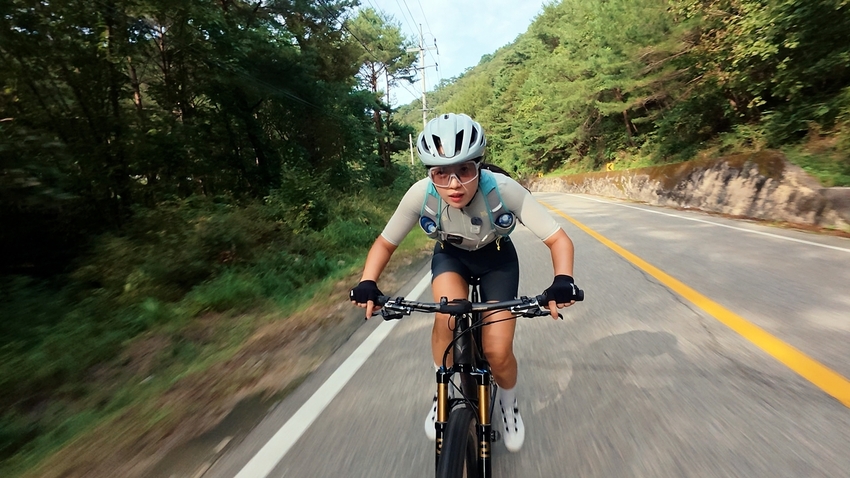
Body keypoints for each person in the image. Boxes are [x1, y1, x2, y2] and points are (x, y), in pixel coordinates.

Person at [349, 113, 580, 452]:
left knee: (497, 351)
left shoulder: (503, 190)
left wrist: (563, 280)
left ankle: (508, 404)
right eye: (441, 173)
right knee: (448, 317)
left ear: (479, 166)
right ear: (429, 173)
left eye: (464, 171)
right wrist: (368, 281)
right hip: (451, 257)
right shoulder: (420, 195)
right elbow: (385, 244)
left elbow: (559, 240)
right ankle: (441, 393)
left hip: (497, 259)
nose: (453, 184)